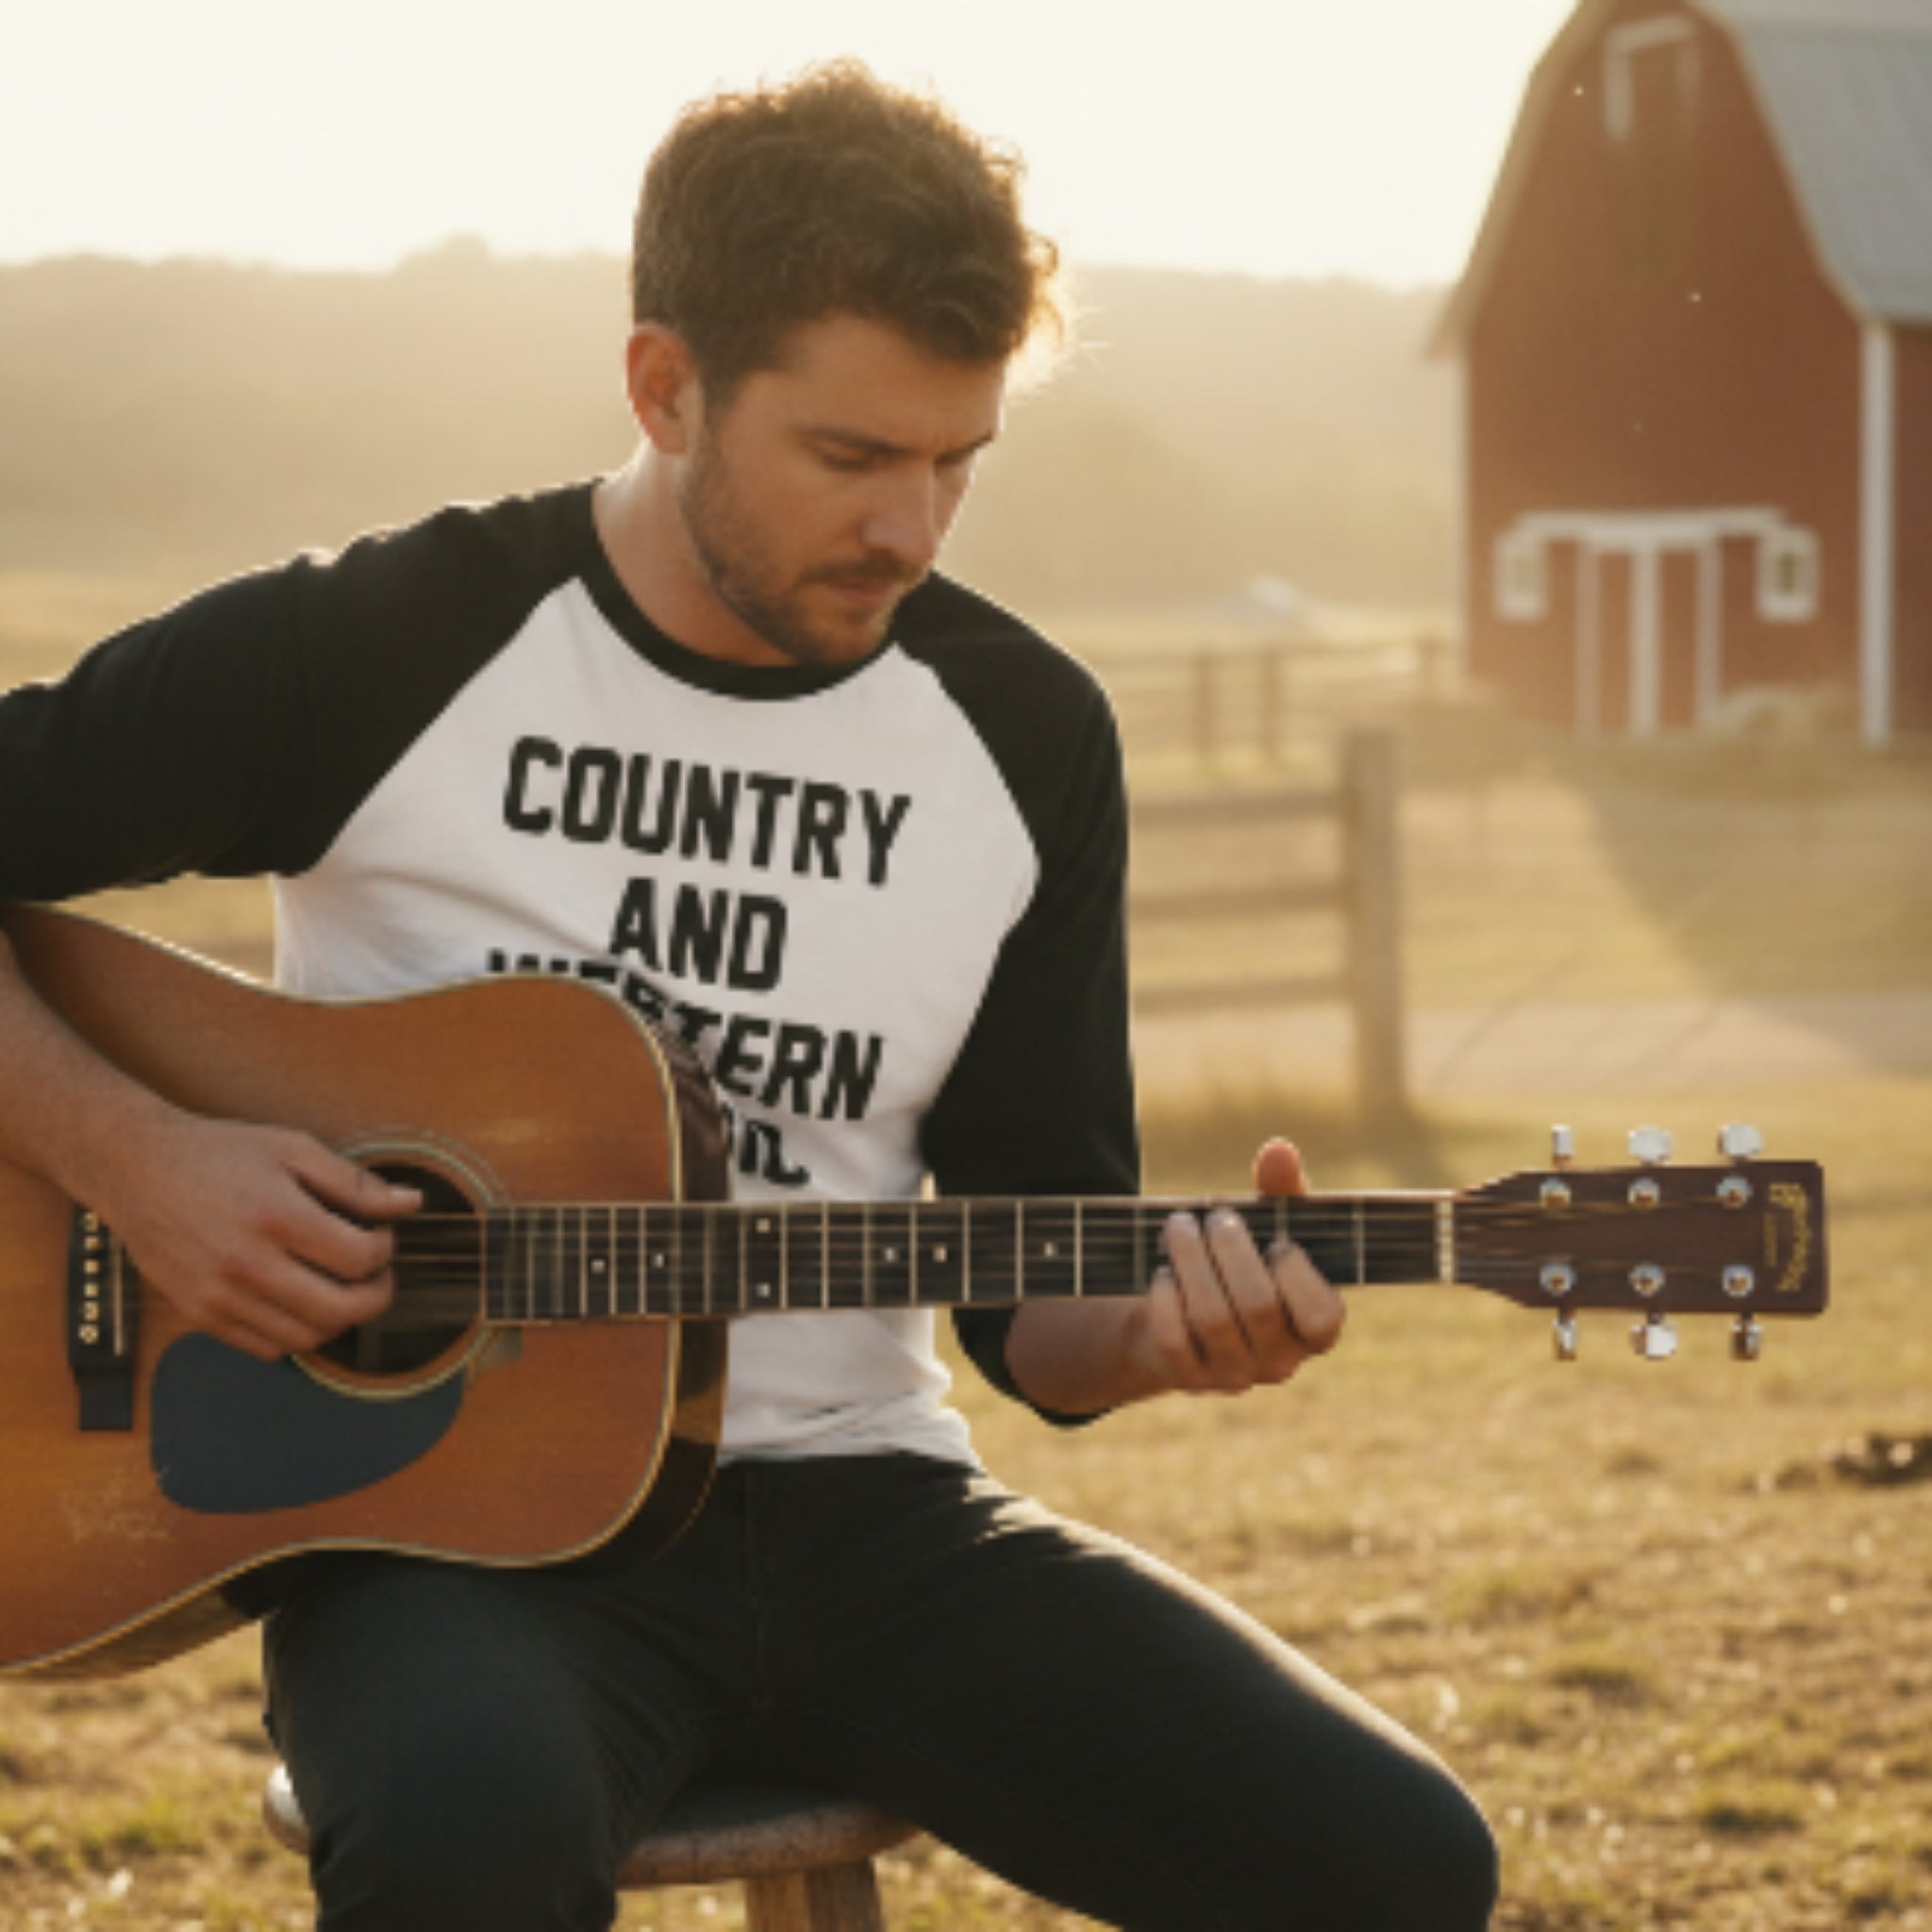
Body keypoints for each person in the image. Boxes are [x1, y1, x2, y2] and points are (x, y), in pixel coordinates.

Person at [0, 62, 1497, 1932]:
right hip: (456, 1547)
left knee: (1395, 1865)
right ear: (664, 387)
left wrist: (1175, 1330)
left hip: (874, 1519)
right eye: (853, 459)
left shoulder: (1024, 739)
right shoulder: (391, 641)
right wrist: (142, 1161)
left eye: (959, 462)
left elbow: (1039, 1309)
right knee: (463, 1847)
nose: (913, 530)